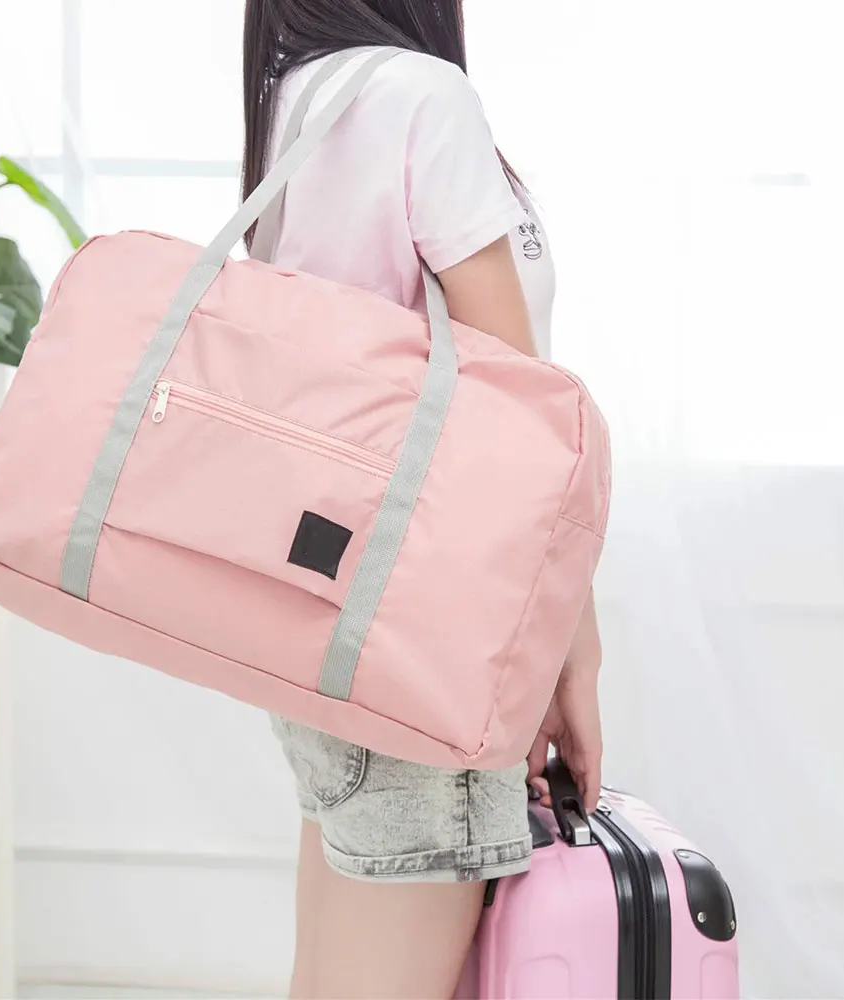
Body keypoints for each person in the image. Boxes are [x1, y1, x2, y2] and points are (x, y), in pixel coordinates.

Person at [241, 2, 604, 997]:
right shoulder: (420, 97)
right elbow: (519, 418)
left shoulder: (303, 98)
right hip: (430, 633)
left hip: (326, 624)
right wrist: (569, 646)